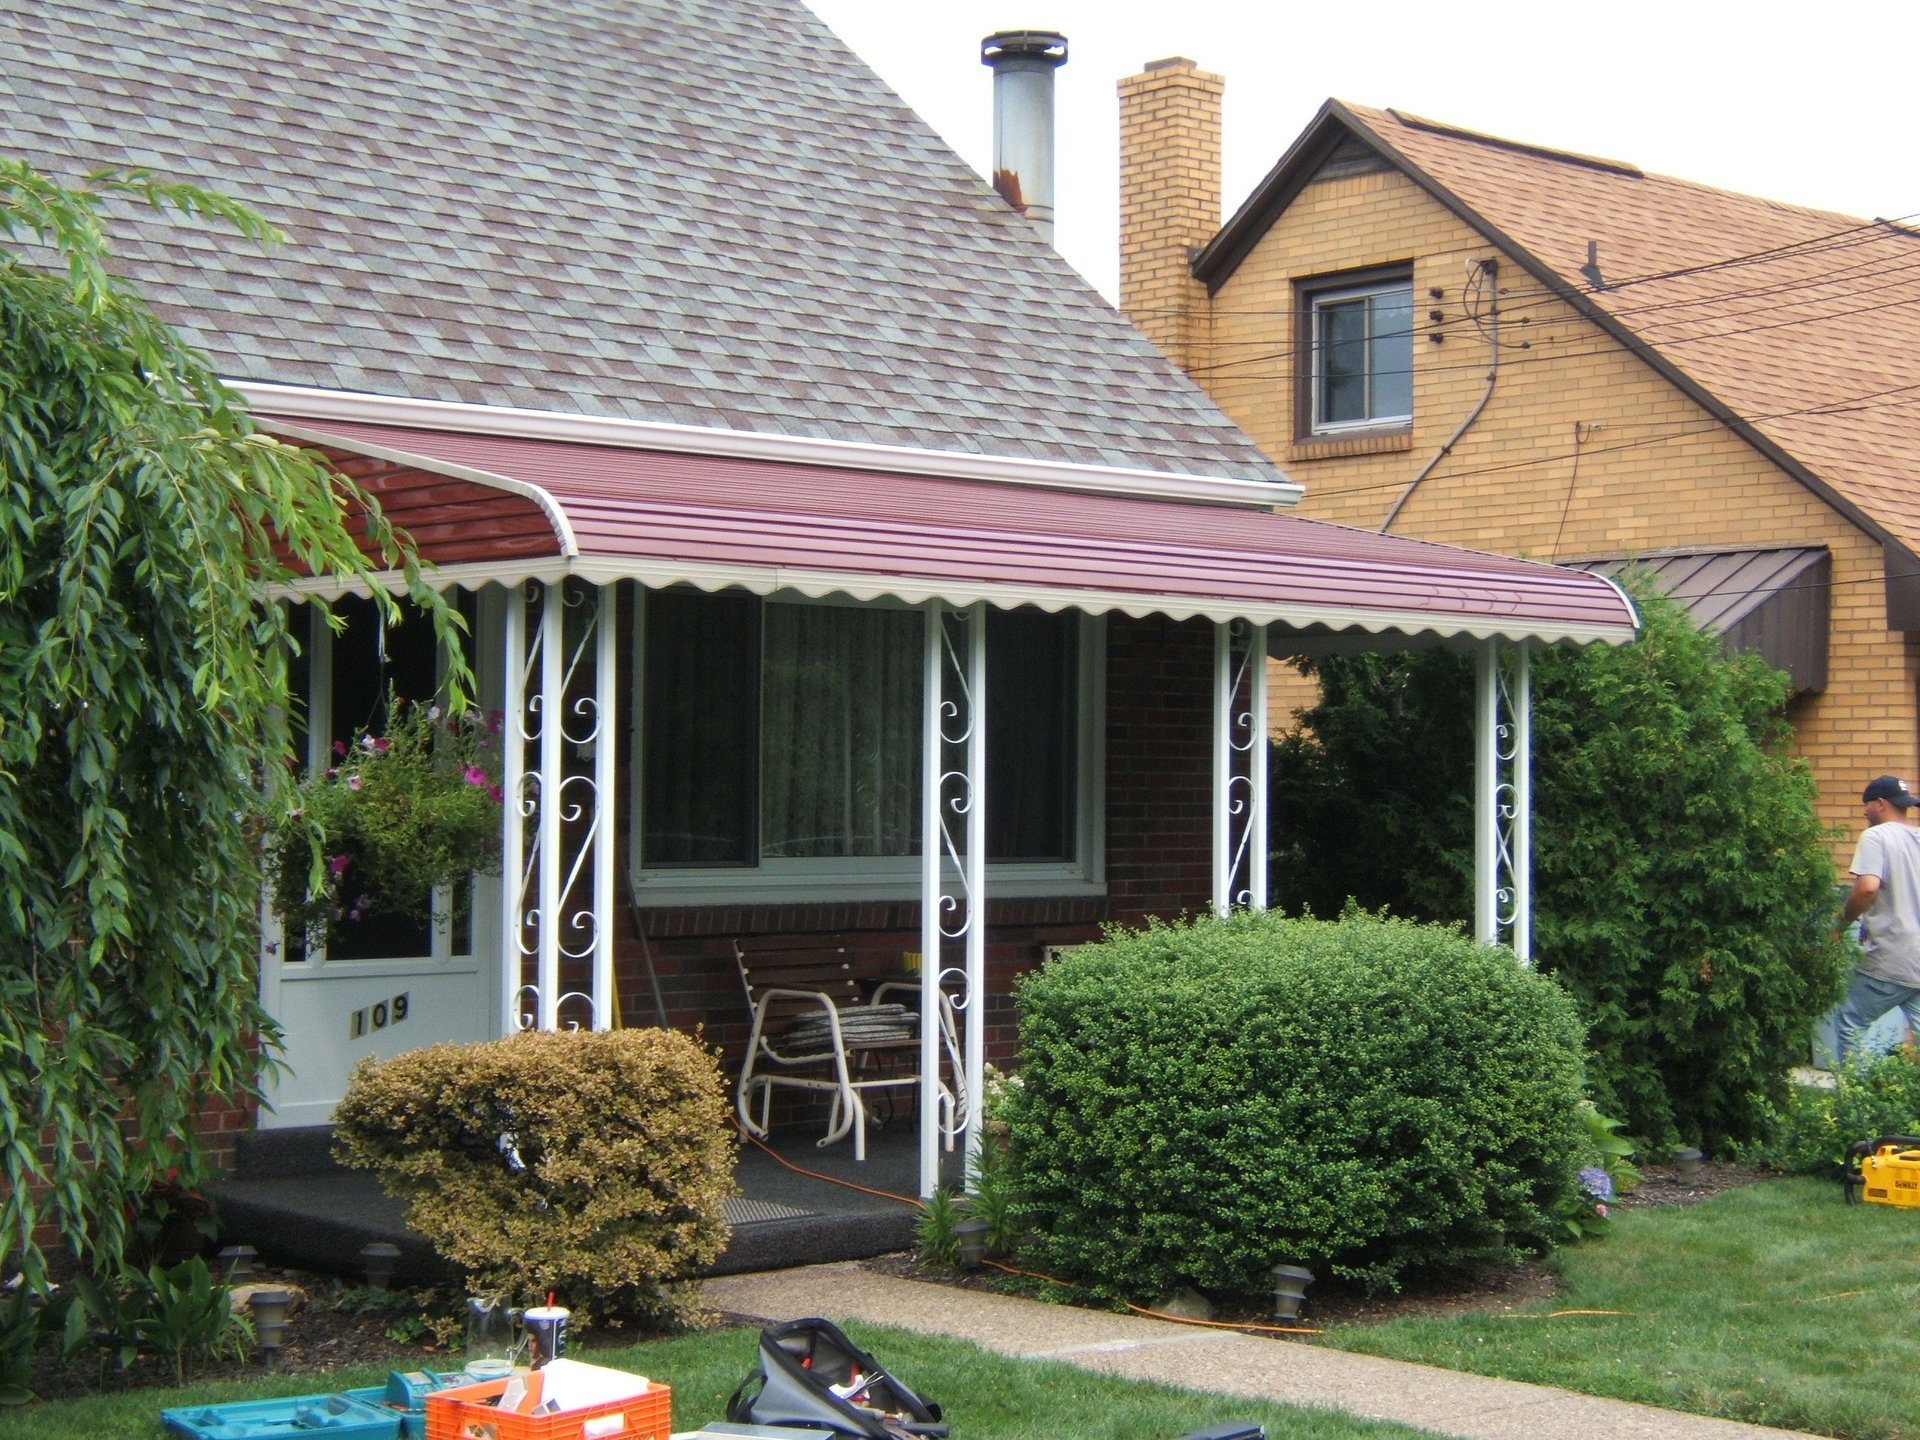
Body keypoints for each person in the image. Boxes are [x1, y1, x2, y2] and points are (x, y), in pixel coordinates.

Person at [1836, 774, 1920, 1061]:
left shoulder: (1875, 837)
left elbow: (1867, 887)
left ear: (1880, 804)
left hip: (1891, 956)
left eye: (1866, 804)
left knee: (1850, 1021)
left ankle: (1854, 1103)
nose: (1863, 811)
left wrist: (1840, 925)